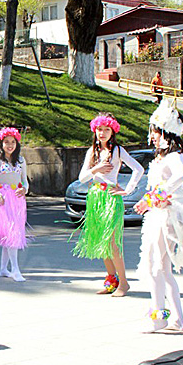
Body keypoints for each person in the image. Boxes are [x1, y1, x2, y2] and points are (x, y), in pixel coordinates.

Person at [134, 100, 183, 332]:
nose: (151, 137)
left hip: (167, 216)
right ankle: (178, 319)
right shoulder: (166, 156)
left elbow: (179, 178)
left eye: (154, 132)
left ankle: (159, 317)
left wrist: (154, 197)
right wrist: (150, 199)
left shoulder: (174, 156)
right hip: (160, 213)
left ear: (165, 132)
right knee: (163, 269)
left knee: (156, 266)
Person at [73, 113, 144, 297]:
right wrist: (96, 169)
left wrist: (128, 190)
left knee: (113, 243)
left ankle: (124, 283)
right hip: (95, 198)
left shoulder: (118, 150)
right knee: (101, 241)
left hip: (111, 198)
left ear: (113, 132)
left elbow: (138, 168)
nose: (102, 133)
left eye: (106, 129)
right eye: (99, 129)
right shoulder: (92, 152)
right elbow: (82, 178)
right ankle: (112, 281)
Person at [0, 127, 31, 281]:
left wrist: (24, 189)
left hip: (17, 200)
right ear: (1, 143)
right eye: (6, 142)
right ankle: (15, 269)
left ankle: (4, 269)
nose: (10, 145)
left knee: (11, 234)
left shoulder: (21, 160)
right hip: (2, 200)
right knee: (10, 233)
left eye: (13, 142)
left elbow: (25, 181)